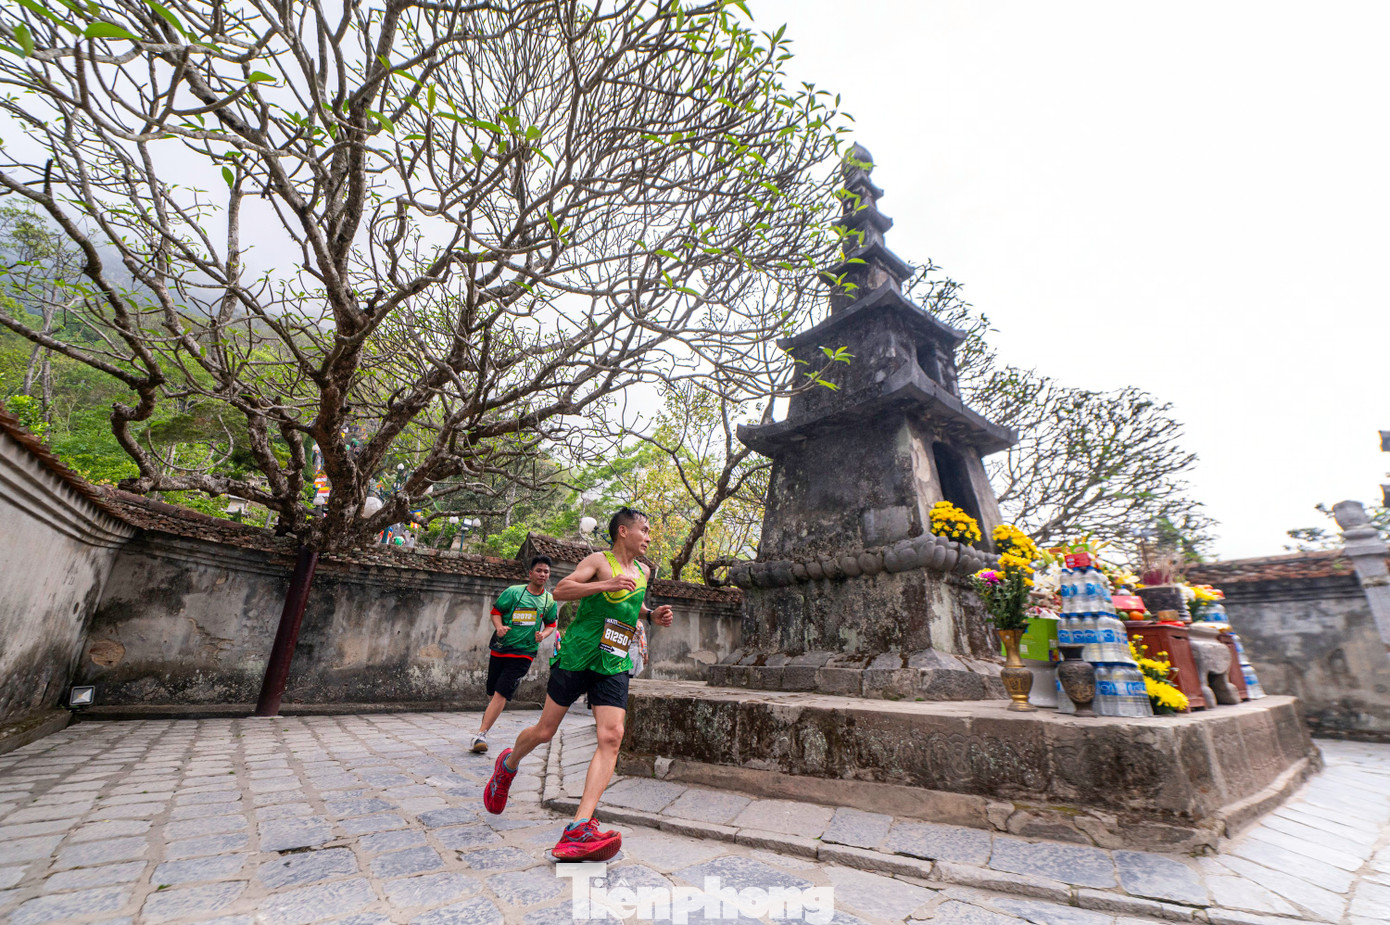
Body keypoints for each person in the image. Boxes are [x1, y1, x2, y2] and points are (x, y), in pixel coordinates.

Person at [481, 507, 673, 861]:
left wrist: (651, 614)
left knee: (612, 736)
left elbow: (634, 604)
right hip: (578, 653)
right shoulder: (599, 561)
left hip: (614, 659)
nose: (648, 537)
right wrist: (605, 584)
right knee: (545, 731)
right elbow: (562, 590)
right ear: (622, 532)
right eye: (643, 530)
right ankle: (507, 766)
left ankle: (578, 827)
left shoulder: (644, 571)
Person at [471, 556, 559, 754]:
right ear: (530, 573)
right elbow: (496, 611)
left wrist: (542, 635)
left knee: (502, 693)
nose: (542, 574)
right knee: (493, 692)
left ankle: (480, 735)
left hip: (524, 653)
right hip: (501, 648)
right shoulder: (513, 592)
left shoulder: (549, 600)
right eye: (539, 571)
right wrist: (500, 626)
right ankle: (486, 721)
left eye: (546, 571)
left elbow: (551, 624)